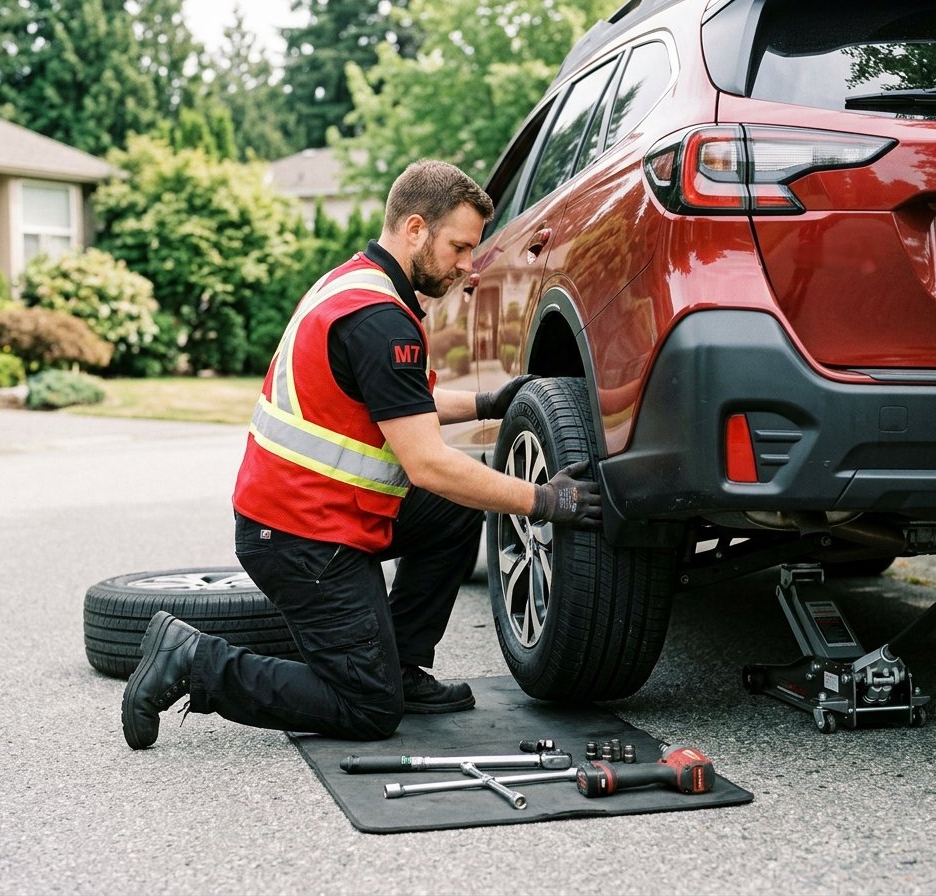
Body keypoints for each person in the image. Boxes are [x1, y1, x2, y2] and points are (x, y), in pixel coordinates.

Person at [122, 159, 601, 749]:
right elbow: (427, 464)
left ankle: (399, 664)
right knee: (369, 709)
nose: (467, 266)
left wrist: (486, 401)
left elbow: (398, 399)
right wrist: (544, 499)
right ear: (416, 229)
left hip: (318, 511)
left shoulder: (358, 283)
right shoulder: (380, 320)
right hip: (302, 538)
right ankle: (194, 660)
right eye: (459, 247)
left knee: (453, 511)